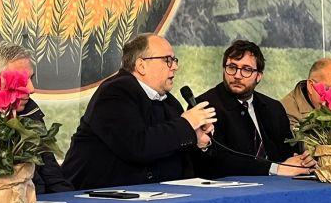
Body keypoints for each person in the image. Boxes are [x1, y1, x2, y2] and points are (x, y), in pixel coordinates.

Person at [62, 33, 216, 190]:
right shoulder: (114, 93)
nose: (175, 66)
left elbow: (171, 150)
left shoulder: (170, 102)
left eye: (174, 60)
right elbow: (138, 146)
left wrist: (197, 141)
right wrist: (186, 124)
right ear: (141, 65)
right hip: (96, 199)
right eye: (167, 60)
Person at [195, 40, 314, 178]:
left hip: (277, 186)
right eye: (232, 67)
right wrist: (276, 168)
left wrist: (302, 162)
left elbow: (287, 153)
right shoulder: (205, 105)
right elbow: (221, 161)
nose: (237, 75)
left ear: (258, 76)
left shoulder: (273, 108)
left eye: (246, 69)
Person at [0, 42, 73, 193]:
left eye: (31, 78)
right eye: (20, 81)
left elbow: (52, 175)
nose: (31, 89)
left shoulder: (30, 111)